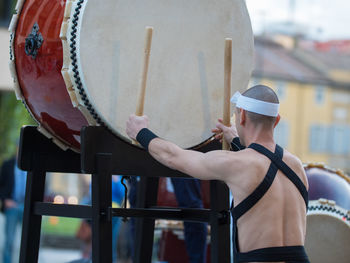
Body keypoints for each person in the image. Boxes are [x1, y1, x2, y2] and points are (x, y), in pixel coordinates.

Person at [126, 85, 310, 262]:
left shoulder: (235, 163)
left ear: (243, 115)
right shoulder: (296, 165)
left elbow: (173, 156)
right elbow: (263, 165)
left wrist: (140, 132)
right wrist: (237, 141)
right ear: (276, 120)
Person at [0, 152, 27, 263]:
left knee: (29, 239)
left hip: (27, 206)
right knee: (9, 240)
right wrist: (5, 200)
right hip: (12, 205)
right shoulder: (7, 165)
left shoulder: (31, 164)